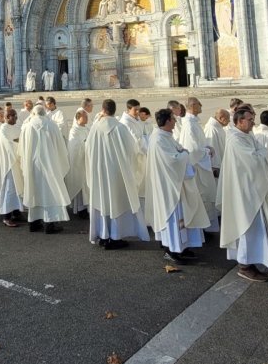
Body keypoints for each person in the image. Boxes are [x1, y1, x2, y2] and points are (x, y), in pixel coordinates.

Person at [221, 106, 268, 281]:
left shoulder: (247, 136)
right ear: (239, 121)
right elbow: (255, 161)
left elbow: (262, 153)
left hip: (253, 189)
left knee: (257, 228)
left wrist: (261, 154)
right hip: (245, 193)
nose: (253, 123)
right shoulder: (235, 140)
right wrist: (261, 154)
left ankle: (252, 261)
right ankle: (244, 265)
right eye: (250, 120)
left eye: (253, 119)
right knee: (248, 227)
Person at [144, 108, 210, 264]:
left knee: (181, 218)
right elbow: (172, 161)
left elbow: (177, 152)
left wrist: (182, 152)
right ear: (167, 121)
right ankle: (173, 250)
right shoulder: (159, 139)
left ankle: (182, 247)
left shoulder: (165, 136)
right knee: (174, 218)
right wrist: (185, 154)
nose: (175, 121)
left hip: (175, 184)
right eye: (173, 119)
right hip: (168, 188)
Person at [85, 99, 147, 250]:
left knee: (102, 201)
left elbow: (88, 149)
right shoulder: (120, 128)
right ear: (114, 110)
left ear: (102, 109)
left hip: (99, 172)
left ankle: (103, 235)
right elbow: (132, 151)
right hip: (116, 173)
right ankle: (115, 236)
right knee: (115, 202)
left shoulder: (95, 127)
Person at [18, 104, 71, 233]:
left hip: (33, 165)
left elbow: (21, 149)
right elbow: (61, 148)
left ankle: (34, 222)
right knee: (50, 192)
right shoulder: (51, 126)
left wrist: (25, 163)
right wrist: (60, 163)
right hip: (50, 165)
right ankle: (49, 223)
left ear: (34, 114)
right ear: (44, 113)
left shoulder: (27, 126)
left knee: (35, 191)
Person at [177, 97, 219, 232]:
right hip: (198, 168)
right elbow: (193, 149)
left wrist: (207, 146)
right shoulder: (189, 124)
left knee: (206, 197)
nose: (201, 105)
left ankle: (205, 227)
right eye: (199, 103)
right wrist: (207, 151)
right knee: (202, 196)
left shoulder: (193, 122)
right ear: (193, 106)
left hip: (201, 165)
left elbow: (198, 143)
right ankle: (201, 229)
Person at [65, 109, 89, 215]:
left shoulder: (87, 129)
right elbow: (74, 145)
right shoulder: (74, 130)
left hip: (86, 161)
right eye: (84, 116)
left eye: (87, 116)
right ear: (78, 118)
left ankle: (86, 206)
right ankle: (80, 208)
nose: (87, 118)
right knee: (80, 185)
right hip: (78, 162)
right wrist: (85, 143)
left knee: (86, 186)